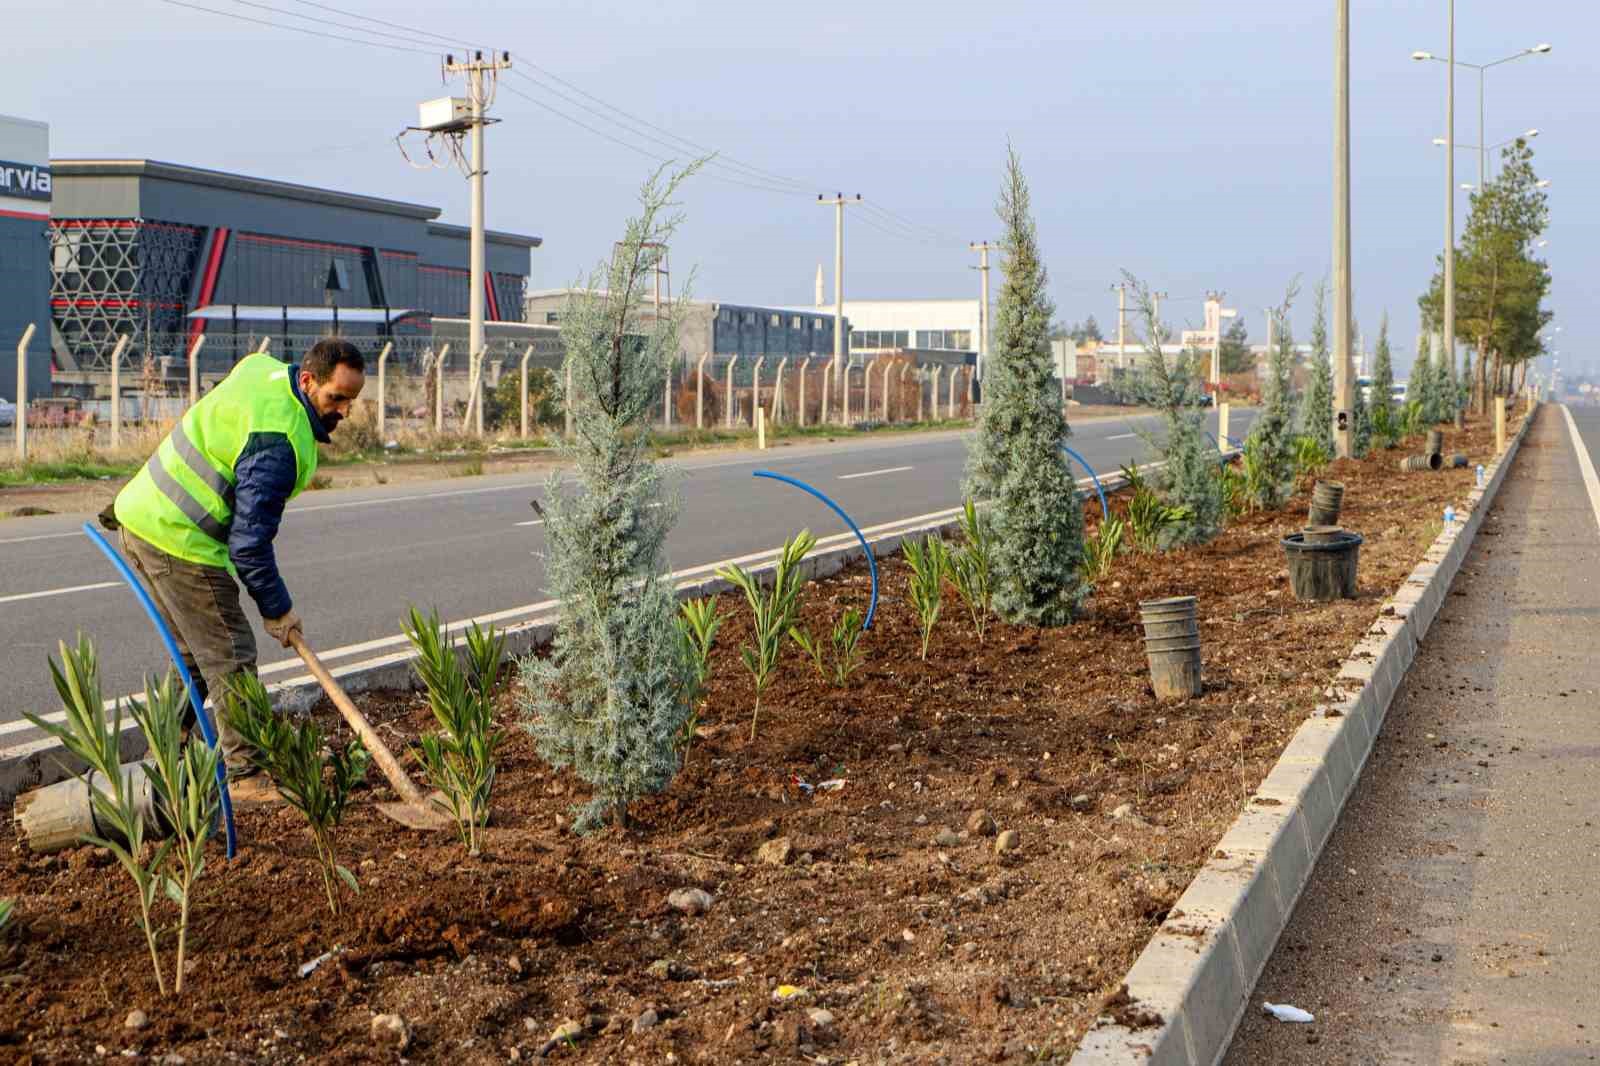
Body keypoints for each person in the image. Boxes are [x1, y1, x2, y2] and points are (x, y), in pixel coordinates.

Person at [103, 339, 365, 802]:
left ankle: (166, 748)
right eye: (336, 398)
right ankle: (245, 772)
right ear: (308, 381)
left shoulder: (263, 369)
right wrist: (278, 611)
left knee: (195, 653)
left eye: (351, 400)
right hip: (179, 538)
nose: (344, 410)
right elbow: (249, 545)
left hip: (142, 515)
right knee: (231, 652)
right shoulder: (279, 444)